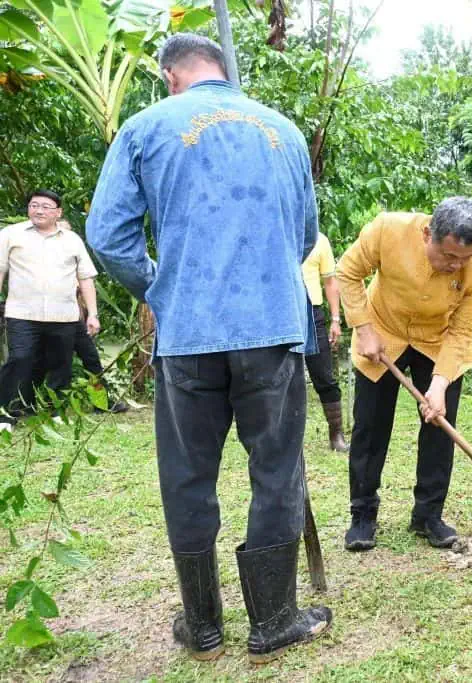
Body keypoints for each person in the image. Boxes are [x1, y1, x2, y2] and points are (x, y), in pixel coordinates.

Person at [86, 34, 330, 664]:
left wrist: (163, 288)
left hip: (188, 336)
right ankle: (273, 621)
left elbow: (108, 237)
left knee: (187, 476)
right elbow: (304, 236)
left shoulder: (146, 127)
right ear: (219, 68)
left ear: (171, 75)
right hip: (271, 331)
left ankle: (203, 628)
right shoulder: (284, 132)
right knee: (276, 469)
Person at [337, 197, 472, 551]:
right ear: (428, 233)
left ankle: (428, 516)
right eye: (448, 256)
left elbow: (461, 330)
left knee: (439, 428)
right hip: (381, 333)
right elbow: (347, 272)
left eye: (463, 259)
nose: (455, 266)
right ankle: (362, 515)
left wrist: (439, 385)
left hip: (436, 342)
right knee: (370, 427)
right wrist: (363, 329)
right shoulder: (387, 230)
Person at [0, 190, 100, 427]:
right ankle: (6, 414)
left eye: (46, 206)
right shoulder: (10, 234)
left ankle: (56, 412)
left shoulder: (72, 240)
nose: (39, 210)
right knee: (20, 359)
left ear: (58, 212)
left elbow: (86, 277)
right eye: (34, 205)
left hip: (63, 315)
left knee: (60, 364)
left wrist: (93, 314)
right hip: (22, 314)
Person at [301, 232, 347, 451]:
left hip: (311, 313)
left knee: (324, 376)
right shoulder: (276, 232)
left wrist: (336, 320)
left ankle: (336, 435)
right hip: (280, 314)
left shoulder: (319, 240)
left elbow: (330, 281)